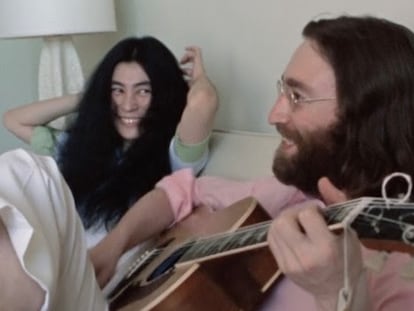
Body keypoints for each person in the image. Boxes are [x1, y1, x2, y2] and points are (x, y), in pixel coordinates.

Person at [90, 15, 414, 311]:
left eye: (297, 97)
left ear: (365, 118)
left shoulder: (399, 272)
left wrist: (338, 292)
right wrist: (112, 246)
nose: (273, 114)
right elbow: (182, 189)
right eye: (283, 90)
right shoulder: (293, 194)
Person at [3, 37, 218, 246]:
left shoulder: (175, 157)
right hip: (56, 257)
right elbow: (13, 120)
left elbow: (203, 101)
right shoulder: (84, 149)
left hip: (102, 272)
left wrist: (199, 80)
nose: (128, 104)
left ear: (163, 95)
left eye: (143, 91)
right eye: (118, 90)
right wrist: (92, 97)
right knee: (10, 167)